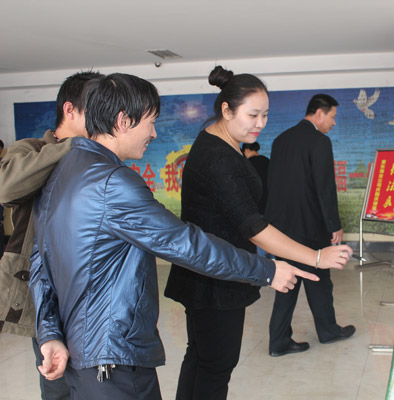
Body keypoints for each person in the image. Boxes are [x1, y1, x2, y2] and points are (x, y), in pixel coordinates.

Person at [30, 73, 316, 400]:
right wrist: (267, 270)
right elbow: (185, 244)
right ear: (123, 121)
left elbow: (40, 264)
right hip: (112, 360)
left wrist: (49, 334)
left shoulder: (62, 171)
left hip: (79, 354)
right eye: (150, 122)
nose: (153, 133)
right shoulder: (113, 183)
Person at [164, 66, 353, 400]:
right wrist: (316, 256)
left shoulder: (223, 142)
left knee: (202, 357)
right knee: (216, 363)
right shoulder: (218, 157)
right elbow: (251, 225)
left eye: (265, 114)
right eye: (253, 115)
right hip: (215, 276)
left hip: (215, 268)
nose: (261, 123)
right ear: (227, 110)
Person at [0, 70, 103, 400]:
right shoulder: (30, 149)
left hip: (88, 289)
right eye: (97, 108)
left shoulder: (97, 157)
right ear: (70, 110)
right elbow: (7, 188)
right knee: (58, 383)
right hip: (45, 289)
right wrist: (73, 145)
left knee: (93, 382)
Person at [265, 94, 356, 357]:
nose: (333, 123)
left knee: (286, 282)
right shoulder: (319, 141)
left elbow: (274, 185)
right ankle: (328, 331)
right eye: (332, 117)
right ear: (319, 113)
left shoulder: (281, 140)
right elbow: (324, 187)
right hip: (311, 225)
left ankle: (278, 341)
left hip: (282, 229)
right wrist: (334, 225)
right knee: (320, 280)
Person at [241, 142, 269, 214]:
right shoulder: (267, 160)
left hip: (255, 202)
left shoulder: (247, 163)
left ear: (247, 150)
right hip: (268, 201)